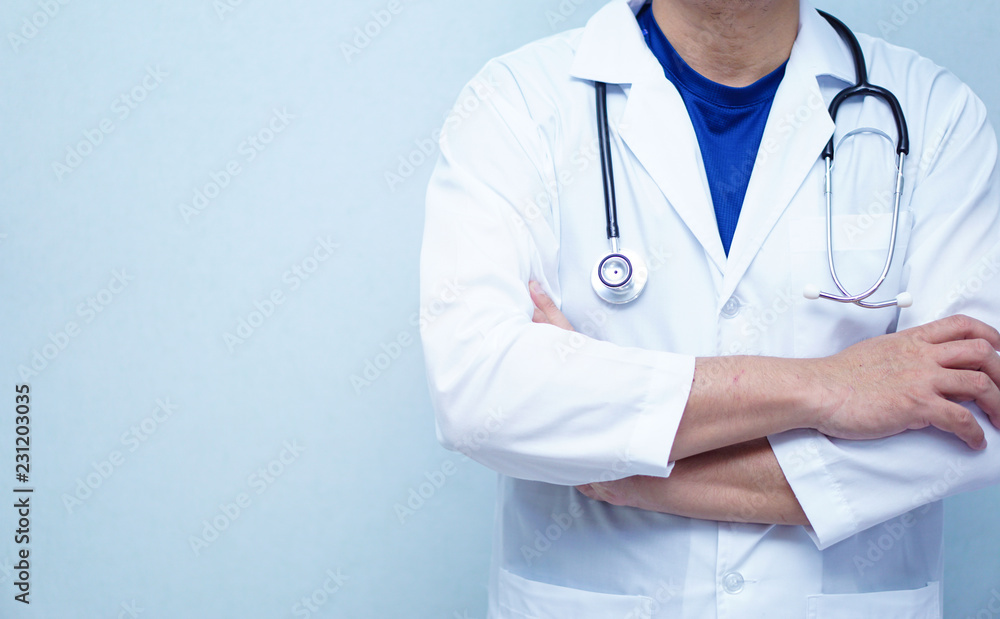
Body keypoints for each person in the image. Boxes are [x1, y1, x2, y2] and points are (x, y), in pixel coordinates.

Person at [419, 0, 1000, 616]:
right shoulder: (517, 103)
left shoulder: (935, 113)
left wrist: (632, 470)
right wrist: (827, 386)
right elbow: (480, 391)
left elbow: (975, 414)